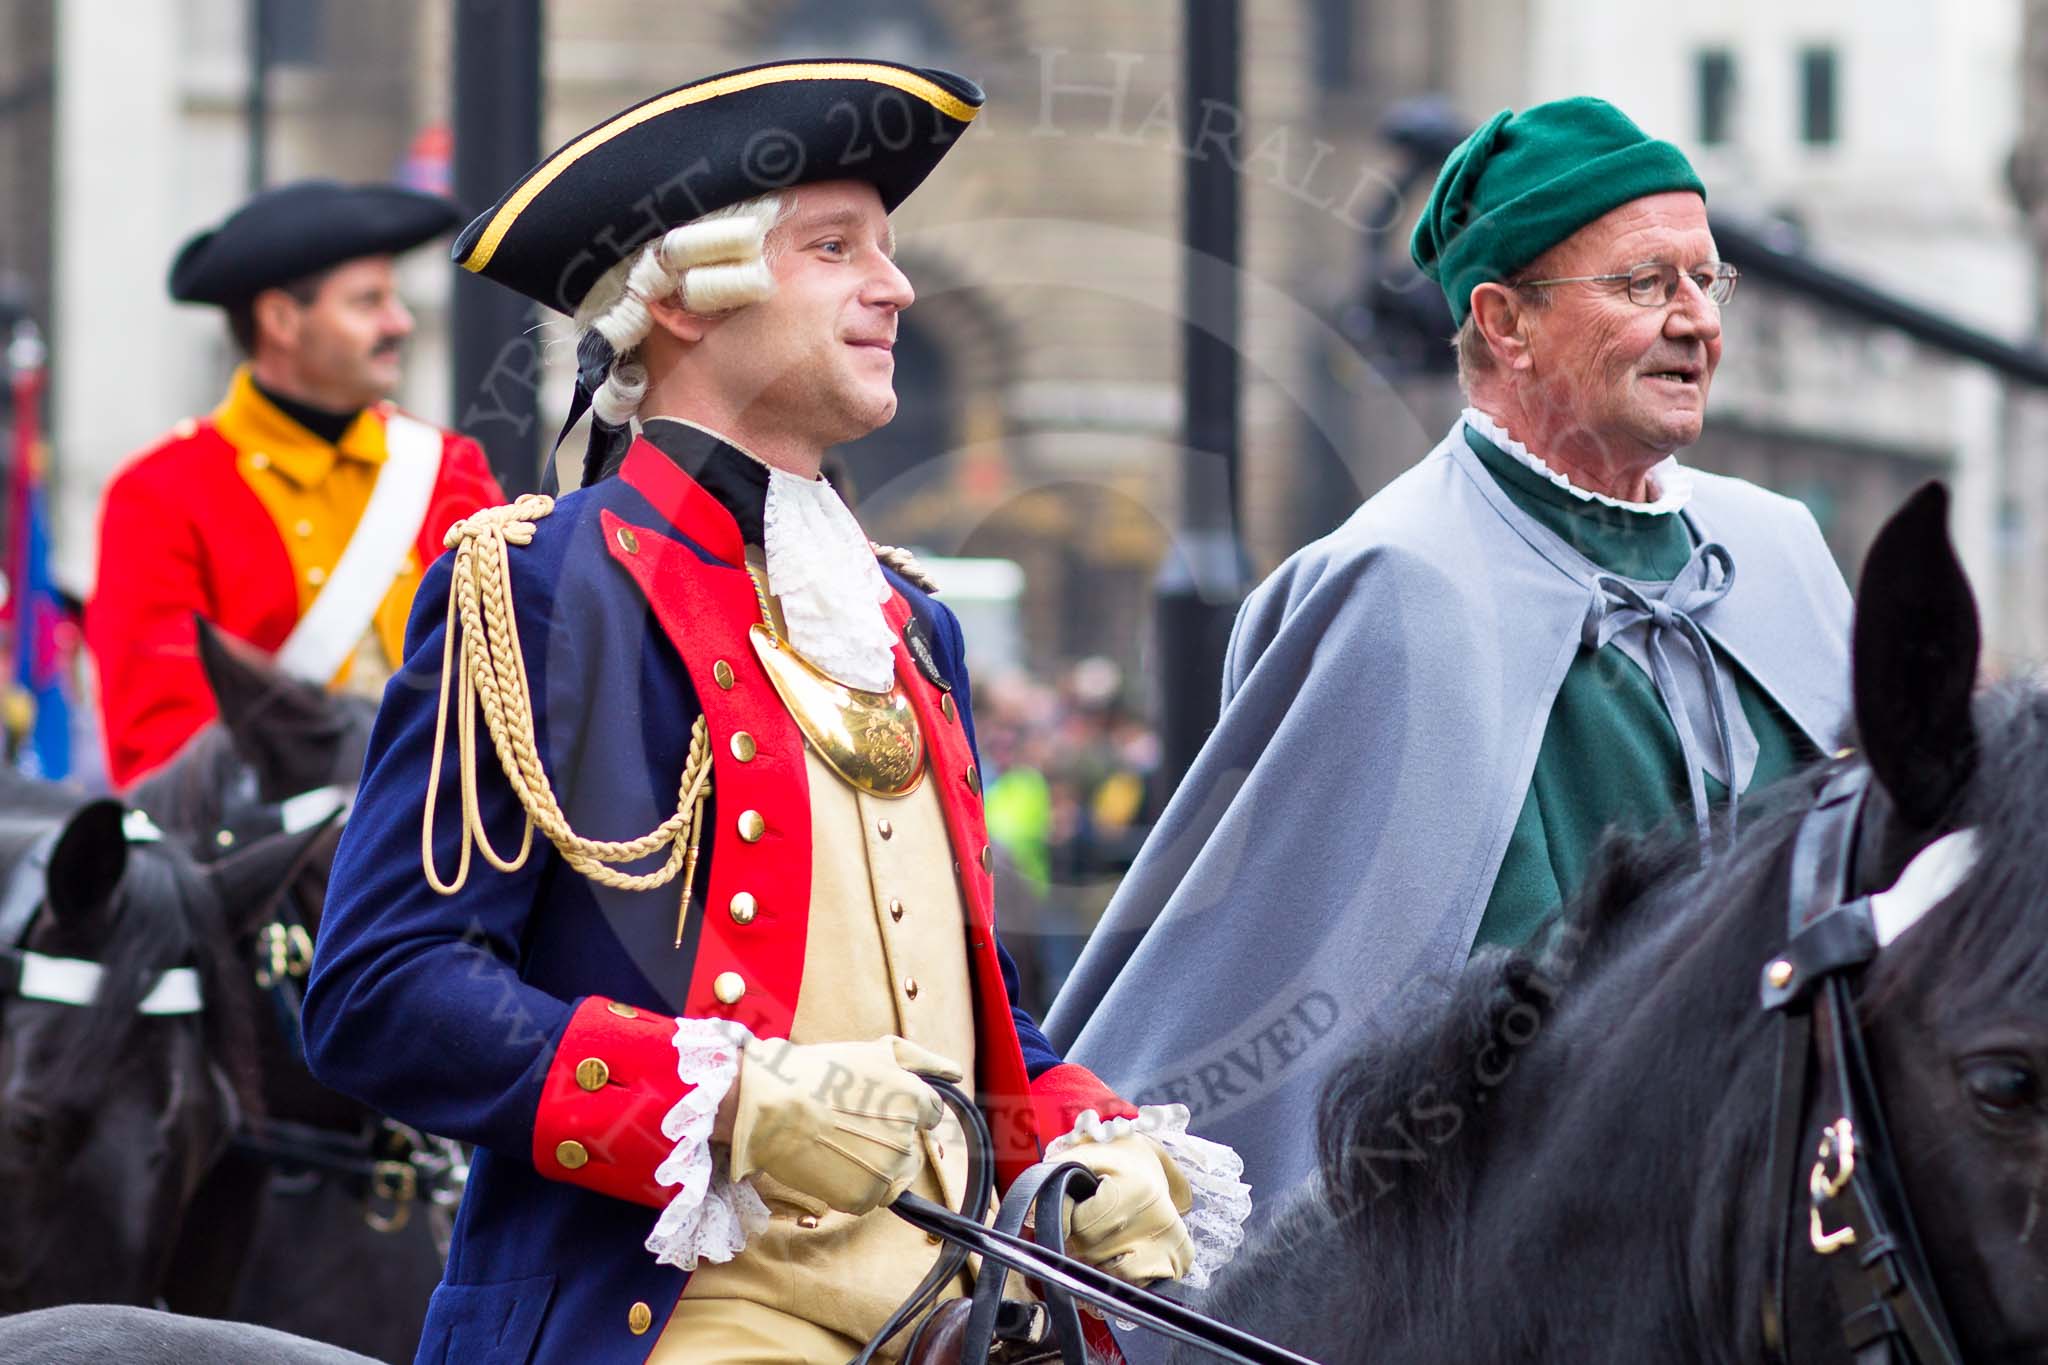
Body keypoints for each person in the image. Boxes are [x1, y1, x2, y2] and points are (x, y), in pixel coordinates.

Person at [301, 60, 1246, 1365]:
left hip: (954, 1307)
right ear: (687, 299)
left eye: (889, 249)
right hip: (679, 1315)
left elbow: (960, 1012)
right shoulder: (535, 586)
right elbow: (380, 992)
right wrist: (732, 1098)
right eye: (835, 247)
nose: (896, 286)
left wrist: (1085, 1134)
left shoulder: (914, 625)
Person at [1046, 97, 1853, 1220]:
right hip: (1564, 1229)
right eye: (1640, 284)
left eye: (1703, 281)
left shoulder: (1775, 549)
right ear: (1504, 323)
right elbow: (1362, 1009)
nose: (1693, 321)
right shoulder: (1393, 585)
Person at [85, 180, 505, 788]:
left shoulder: (448, 466)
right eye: (368, 303)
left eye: (394, 299)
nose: (400, 323)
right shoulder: (159, 494)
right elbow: (164, 754)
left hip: (452, 835)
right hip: (273, 862)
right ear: (281, 319)